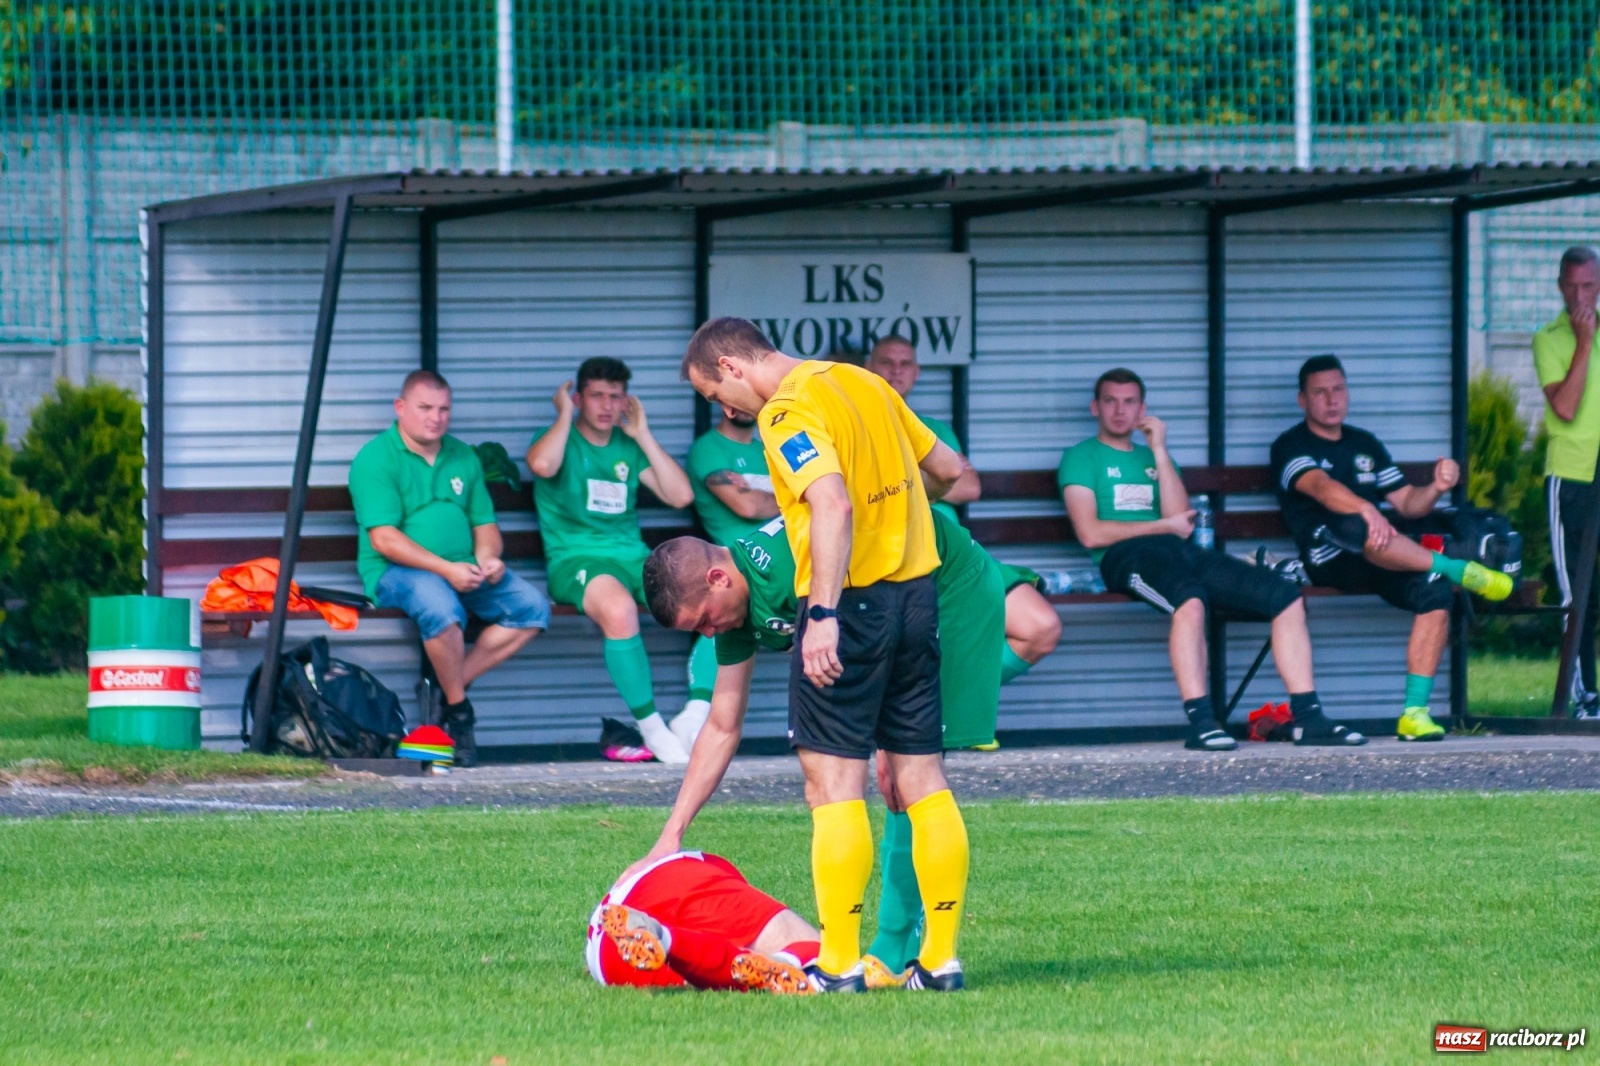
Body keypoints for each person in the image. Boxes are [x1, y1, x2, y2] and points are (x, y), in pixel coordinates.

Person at [680, 316, 970, 993]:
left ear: (730, 366)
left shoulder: (786, 411)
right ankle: (942, 959)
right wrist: (893, 520)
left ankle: (839, 964)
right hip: (919, 597)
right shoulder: (863, 383)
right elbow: (948, 473)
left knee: (831, 785)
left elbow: (831, 506)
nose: (724, 411)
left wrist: (824, 614)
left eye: (714, 395)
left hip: (853, 606)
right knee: (923, 780)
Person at [639, 506, 1010, 986]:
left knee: (908, 776)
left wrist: (887, 738)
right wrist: (672, 833)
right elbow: (721, 725)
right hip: (890, 600)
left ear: (718, 578)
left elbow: (875, 615)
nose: (707, 633)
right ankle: (895, 959)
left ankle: (900, 956)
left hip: (947, 586)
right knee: (894, 775)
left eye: (704, 620)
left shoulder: (791, 567)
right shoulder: (736, 606)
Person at [1062, 367, 1364, 749]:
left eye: (1130, 402)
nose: (1120, 411)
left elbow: (1182, 523)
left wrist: (1158, 449)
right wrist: (1162, 526)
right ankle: (1203, 722)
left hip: (1181, 550)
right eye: (1110, 401)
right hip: (1126, 557)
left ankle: (1309, 717)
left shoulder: (1154, 457)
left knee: (1285, 596)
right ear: (1095, 407)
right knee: (1189, 600)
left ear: (1143, 409)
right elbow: (1091, 532)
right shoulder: (1080, 458)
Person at [1271, 355, 1513, 739]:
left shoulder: (1364, 444)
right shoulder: (1289, 446)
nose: (1332, 399)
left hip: (1385, 553)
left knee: (1433, 590)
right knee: (1355, 523)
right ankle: (1457, 568)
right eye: (1320, 392)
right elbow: (1320, 487)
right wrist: (1367, 508)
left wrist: (1436, 486)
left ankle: (1414, 715)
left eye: (1339, 389)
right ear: (1302, 400)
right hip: (1329, 556)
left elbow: (1407, 505)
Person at [348, 370, 551, 767]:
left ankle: (446, 690)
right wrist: (446, 569)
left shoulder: (462, 455)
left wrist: (489, 558)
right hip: (396, 571)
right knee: (441, 609)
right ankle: (459, 712)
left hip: (464, 570)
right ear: (400, 408)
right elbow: (383, 540)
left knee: (532, 607)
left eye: (444, 409)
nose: (435, 418)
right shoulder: (375, 458)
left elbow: (486, 527)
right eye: (425, 408)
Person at [864, 336, 1062, 696]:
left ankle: (955, 703)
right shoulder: (858, 425)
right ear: (868, 369)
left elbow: (969, 487)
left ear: (917, 372)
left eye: (905, 363)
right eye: (886, 362)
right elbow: (863, 488)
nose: (896, 371)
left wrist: (898, 476)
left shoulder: (935, 429)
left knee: (1041, 626)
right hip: (896, 563)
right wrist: (936, 476)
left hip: (958, 558)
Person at [525, 357, 696, 764]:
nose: (606, 406)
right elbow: (541, 465)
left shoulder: (628, 447)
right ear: (580, 398)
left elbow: (680, 496)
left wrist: (644, 435)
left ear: (626, 402)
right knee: (619, 609)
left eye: (615, 397)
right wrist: (564, 414)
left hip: (632, 557)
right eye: (596, 396)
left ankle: (696, 714)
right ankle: (653, 729)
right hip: (575, 561)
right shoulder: (556, 438)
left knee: (705, 592)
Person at [678, 402, 781, 746]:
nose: (739, 403)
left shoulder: (770, 449)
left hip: (783, 555)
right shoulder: (709, 448)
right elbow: (748, 506)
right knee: (724, 615)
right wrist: (796, 493)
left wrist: (761, 491)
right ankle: (696, 713)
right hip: (731, 560)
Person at [587, 850, 818, 995]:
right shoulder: (710, 868)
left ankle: (663, 938)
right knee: (827, 954)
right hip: (674, 879)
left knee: (727, 977)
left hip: (607, 961)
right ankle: (782, 961)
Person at [1535, 246, 1600, 717]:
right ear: (1560, 286)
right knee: (1576, 593)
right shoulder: (1549, 338)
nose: (1580, 297)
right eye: (1572, 286)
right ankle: (1581, 698)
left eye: (1589, 287)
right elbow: (1565, 407)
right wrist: (1582, 343)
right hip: (1571, 479)